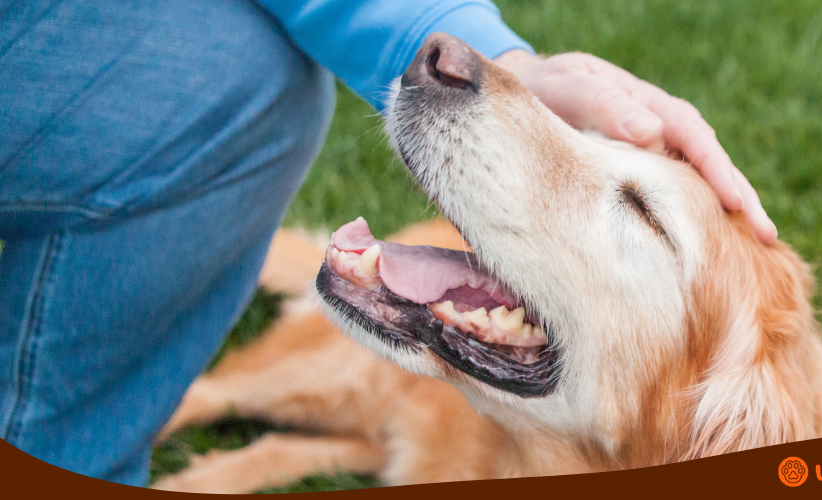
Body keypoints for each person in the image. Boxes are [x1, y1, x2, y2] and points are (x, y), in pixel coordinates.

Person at [0, 0, 776, 486]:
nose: (449, 67)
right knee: (251, 75)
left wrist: (517, 65)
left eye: (640, 215)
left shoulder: (734, 426)